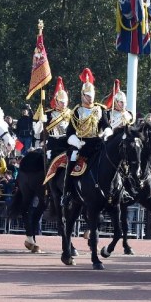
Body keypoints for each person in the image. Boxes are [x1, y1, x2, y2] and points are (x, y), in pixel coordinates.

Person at [63, 68, 111, 206]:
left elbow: (106, 124)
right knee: (71, 164)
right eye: (88, 95)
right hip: (81, 144)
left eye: (92, 95)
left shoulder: (100, 109)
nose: (91, 98)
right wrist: (77, 143)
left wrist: (107, 132)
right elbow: (70, 132)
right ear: (83, 95)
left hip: (97, 142)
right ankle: (66, 193)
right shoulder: (76, 111)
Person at [44, 77, 71, 163]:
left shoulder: (70, 113)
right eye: (62, 102)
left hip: (65, 141)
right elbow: (39, 130)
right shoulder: (49, 113)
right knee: (49, 161)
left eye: (65, 102)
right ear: (56, 101)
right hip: (53, 142)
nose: (64, 104)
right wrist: (41, 119)